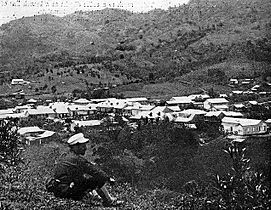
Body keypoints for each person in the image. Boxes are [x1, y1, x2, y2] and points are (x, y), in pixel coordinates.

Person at [50, 133, 123, 207]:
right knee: (98, 179)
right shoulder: (77, 160)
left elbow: (77, 177)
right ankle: (109, 201)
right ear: (76, 146)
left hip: (59, 190)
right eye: (83, 146)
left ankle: (94, 196)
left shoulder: (66, 156)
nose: (85, 148)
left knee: (85, 179)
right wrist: (108, 178)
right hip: (67, 191)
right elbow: (95, 171)